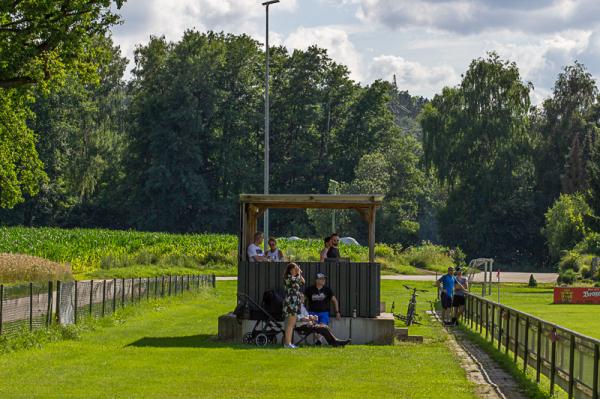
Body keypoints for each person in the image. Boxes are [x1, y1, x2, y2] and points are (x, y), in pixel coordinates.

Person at [282, 262, 304, 349]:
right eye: (294, 269)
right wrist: (298, 272)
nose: (296, 270)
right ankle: (287, 344)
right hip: (290, 303)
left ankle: (288, 343)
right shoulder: (288, 277)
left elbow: (303, 281)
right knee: (290, 324)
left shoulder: (295, 277)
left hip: (294, 303)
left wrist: (299, 272)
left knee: (291, 324)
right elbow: (297, 280)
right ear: (290, 270)